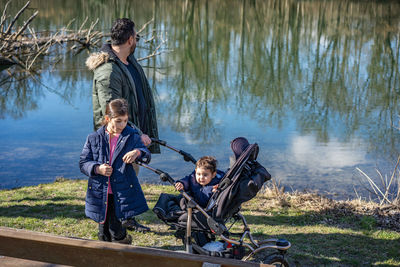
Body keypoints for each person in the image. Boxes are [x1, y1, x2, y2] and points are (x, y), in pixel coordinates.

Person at [86, 18, 159, 232]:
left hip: (131, 136)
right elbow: (111, 111)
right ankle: (112, 225)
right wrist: (137, 133)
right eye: (136, 37)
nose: (136, 40)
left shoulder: (127, 61)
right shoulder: (108, 71)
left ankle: (125, 218)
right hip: (117, 138)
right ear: (130, 39)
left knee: (128, 177)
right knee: (117, 180)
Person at [79, 99, 151, 243]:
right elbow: (83, 163)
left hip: (121, 191)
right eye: (118, 121)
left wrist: (137, 152)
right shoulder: (93, 138)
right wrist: (97, 168)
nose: (122, 125)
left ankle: (123, 246)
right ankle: (106, 256)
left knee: (116, 228)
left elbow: (146, 154)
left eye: (125, 121)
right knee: (103, 231)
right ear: (107, 119)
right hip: (100, 191)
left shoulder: (131, 136)